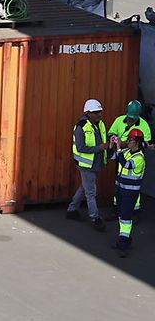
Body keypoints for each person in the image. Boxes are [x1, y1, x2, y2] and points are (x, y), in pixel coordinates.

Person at [66, 98, 108, 230]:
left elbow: (103, 138)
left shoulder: (100, 124)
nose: (99, 115)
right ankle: (95, 218)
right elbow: (80, 147)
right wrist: (99, 148)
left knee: (85, 187)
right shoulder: (81, 126)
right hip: (86, 165)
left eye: (99, 112)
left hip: (95, 163)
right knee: (91, 192)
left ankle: (72, 210)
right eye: (96, 113)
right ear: (88, 113)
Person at [113, 129, 147, 257]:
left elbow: (126, 165)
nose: (127, 142)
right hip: (121, 189)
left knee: (126, 218)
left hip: (130, 193)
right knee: (122, 216)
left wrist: (118, 148)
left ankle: (123, 244)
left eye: (130, 140)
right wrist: (112, 146)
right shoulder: (127, 152)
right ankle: (126, 240)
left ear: (137, 142)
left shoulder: (139, 158)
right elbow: (114, 157)